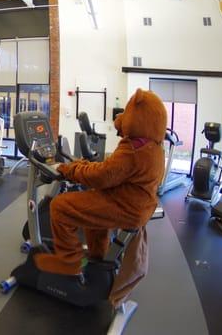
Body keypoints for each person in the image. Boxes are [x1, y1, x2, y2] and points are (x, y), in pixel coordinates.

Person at [33, 89, 167, 298]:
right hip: (137, 204)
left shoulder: (133, 149)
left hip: (125, 206)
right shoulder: (154, 146)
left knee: (60, 206)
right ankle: (97, 258)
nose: (121, 118)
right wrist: (80, 167)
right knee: (92, 213)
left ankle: (69, 264)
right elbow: (115, 173)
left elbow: (103, 177)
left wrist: (69, 169)